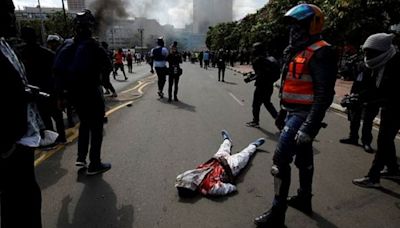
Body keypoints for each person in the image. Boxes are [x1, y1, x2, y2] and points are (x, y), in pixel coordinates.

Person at [254, 4, 337, 227]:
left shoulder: (321, 51)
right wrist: (282, 112)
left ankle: (277, 214)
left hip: (304, 114)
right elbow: (290, 86)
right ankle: (303, 198)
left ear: (312, 26)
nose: (293, 31)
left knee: (280, 160)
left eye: (298, 26)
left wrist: (309, 127)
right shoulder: (296, 50)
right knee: (304, 158)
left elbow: (324, 94)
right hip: (292, 112)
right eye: (291, 27)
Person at [53, 9, 112, 175]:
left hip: (74, 95)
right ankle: (95, 163)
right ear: (90, 27)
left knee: (84, 124)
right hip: (92, 93)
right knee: (97, 128)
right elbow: (108, 65)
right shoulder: (93, 45)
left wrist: (60, 96)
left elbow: (57, 70)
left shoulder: (66, 44)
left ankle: (81, 158)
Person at [0, 0, 43, 226]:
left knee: (26, 198)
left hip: (23, 134)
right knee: (19, 203)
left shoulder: (5, 45)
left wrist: (25, 92)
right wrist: (6, 145)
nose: (12, 18)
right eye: (7, 12)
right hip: (11, 142)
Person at [352, 33, 400, 188]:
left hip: (397, 107)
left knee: (384, 140)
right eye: (366, 52)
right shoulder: (380, 63)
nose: (367, 56)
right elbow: (373, 88)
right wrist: (356, 97)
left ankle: (373, 177)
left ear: (382, 51)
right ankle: (393, 169)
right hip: (390, 107)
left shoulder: (396, 64)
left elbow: (390, 92)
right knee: (386, 139)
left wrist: (366, 100)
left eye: (371, 52)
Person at [175, 130, 265, 196]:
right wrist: (230, 183)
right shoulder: (209, 188)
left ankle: (227, 140)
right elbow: (230, 188)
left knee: (223, 149)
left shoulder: (193, 174)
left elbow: (180, 177)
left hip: (216, 161)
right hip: (231, 166)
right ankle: (254, 145)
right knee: (244, 155)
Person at [20, 27, 67, 144]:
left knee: (47, 118)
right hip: (48, 90)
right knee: (55, 116)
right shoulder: (48, 54)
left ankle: (53, 139)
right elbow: (58, 73)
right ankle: (60, 138)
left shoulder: (20, 55)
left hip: (38, 92)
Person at [339, 61, 379, 153]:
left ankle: (366, 142)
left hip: (371, 98)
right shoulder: (360, 65)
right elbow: (355, 80)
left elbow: (375, 86)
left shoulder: (377, 66)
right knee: (354, 119)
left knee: (367, 122)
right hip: (356, 96)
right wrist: (351, 95)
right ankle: (353, 138)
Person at [245, 42, 280, 128]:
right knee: (267, 103)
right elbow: (263, 72)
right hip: (269, 85)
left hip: (261, 86)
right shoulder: (268, 59)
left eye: (254, 48)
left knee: (256, 104)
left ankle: (255, 121)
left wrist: (249, 79)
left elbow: (260, 74)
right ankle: (281, 122)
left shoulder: (258, 60)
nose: (252, 50)